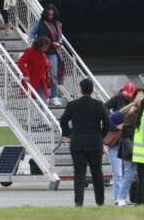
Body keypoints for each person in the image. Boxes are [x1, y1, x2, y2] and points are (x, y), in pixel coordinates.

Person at [59, 78, 111, 207]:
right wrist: (101, 135)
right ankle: (100, 201)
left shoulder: (72, 105)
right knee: (97, 173)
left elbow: (63, 121)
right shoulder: (98, 104)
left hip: (77, 143)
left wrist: (68, 133)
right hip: (95, 143)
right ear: (92, 90)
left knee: (79, 174)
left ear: (80, 90)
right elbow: (107, 123)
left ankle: (78, 201)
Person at [30, 4, 67, 105]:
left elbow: (60, 37)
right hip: (40, 52)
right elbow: (32, 33)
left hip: (52, 52)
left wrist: (59, 43)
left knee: (53, 74)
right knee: (42, 74)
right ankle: (44, 95)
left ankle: (54, 96)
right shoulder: (39, 22)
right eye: (49, 14)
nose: (50, 16)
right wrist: (33, 42)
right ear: (45, 14)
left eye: (52, 15)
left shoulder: (58, 24)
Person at [17, 36, 52, 100]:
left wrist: (48, 64)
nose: (46, 49)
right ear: (39, 45)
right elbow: (20, 62)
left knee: (44, 100)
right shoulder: (30, 51)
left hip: (42, 80)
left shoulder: (42, 52)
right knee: (35, 100)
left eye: (47, 47)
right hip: (33, 79)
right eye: (44, 47)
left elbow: (44, 64)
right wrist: (26, 74)